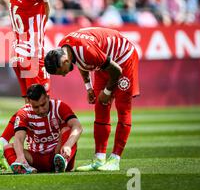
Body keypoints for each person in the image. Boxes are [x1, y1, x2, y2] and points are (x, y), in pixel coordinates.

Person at [0, 0, 72, 170]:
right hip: (32, 57)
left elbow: (45, 9)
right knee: (42, 107)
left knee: (28, 108)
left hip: (19, 55)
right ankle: (36, 153)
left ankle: (1, 144)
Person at [44, 27, 140, 171]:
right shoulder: (66, 48)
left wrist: (107, 91)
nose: (64, 75)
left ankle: (115, 160)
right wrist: (88, 86)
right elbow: (81, 62)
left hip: (123, 60)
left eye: (61, 72)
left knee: (122, 108)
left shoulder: (87, 51)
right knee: (100, 106)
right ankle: (99, 159)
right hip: (104, 61)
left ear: (64, 61)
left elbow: (116, 70)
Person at [3, 84, 83, 174]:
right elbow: (19, 138)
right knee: (8, 147)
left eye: (43, 104)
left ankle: (62, 162)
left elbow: (78, 126)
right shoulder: (23, 113)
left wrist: (68, 145)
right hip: (35, 159)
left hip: (57, 153)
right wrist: (20, 156)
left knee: (67, 130)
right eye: (36, 107)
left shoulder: (59, 106)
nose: (41, 110)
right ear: (29, 102)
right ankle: (25, 167)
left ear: (47, 97)